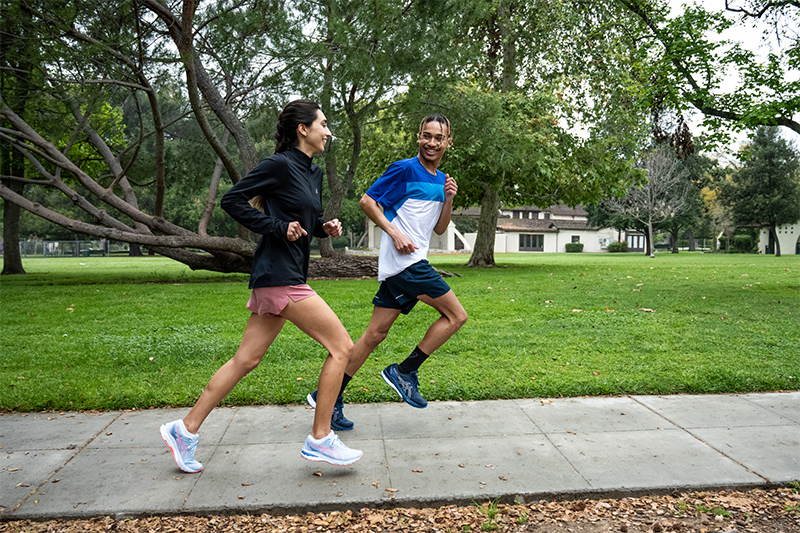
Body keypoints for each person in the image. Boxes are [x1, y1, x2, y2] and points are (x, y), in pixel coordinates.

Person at [160, 99, 362, 472]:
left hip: (284, 276)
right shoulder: (279, 165)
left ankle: (183, 430)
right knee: (342, 348)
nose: (328, 131)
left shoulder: (311, 173)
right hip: (279, 275)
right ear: (303, 129)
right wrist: (276, 226)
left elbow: (305, 218)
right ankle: (320, 438)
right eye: (323, 124)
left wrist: (323, 227)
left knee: (246, 359)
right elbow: (232, 200)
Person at [307, 113, 468, 429]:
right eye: (427, 135)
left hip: (405, 265)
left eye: (439, 138)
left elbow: (439, 228)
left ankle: (328, 397)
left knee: (374, 335)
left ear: (449, 142)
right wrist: (394, 233)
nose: (432, 142)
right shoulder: (404, 169)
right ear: (418, 137)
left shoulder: (441, 179)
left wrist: (448, 199)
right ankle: (405, 371)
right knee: (456, 316)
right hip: (407, 265)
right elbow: (368, 201)